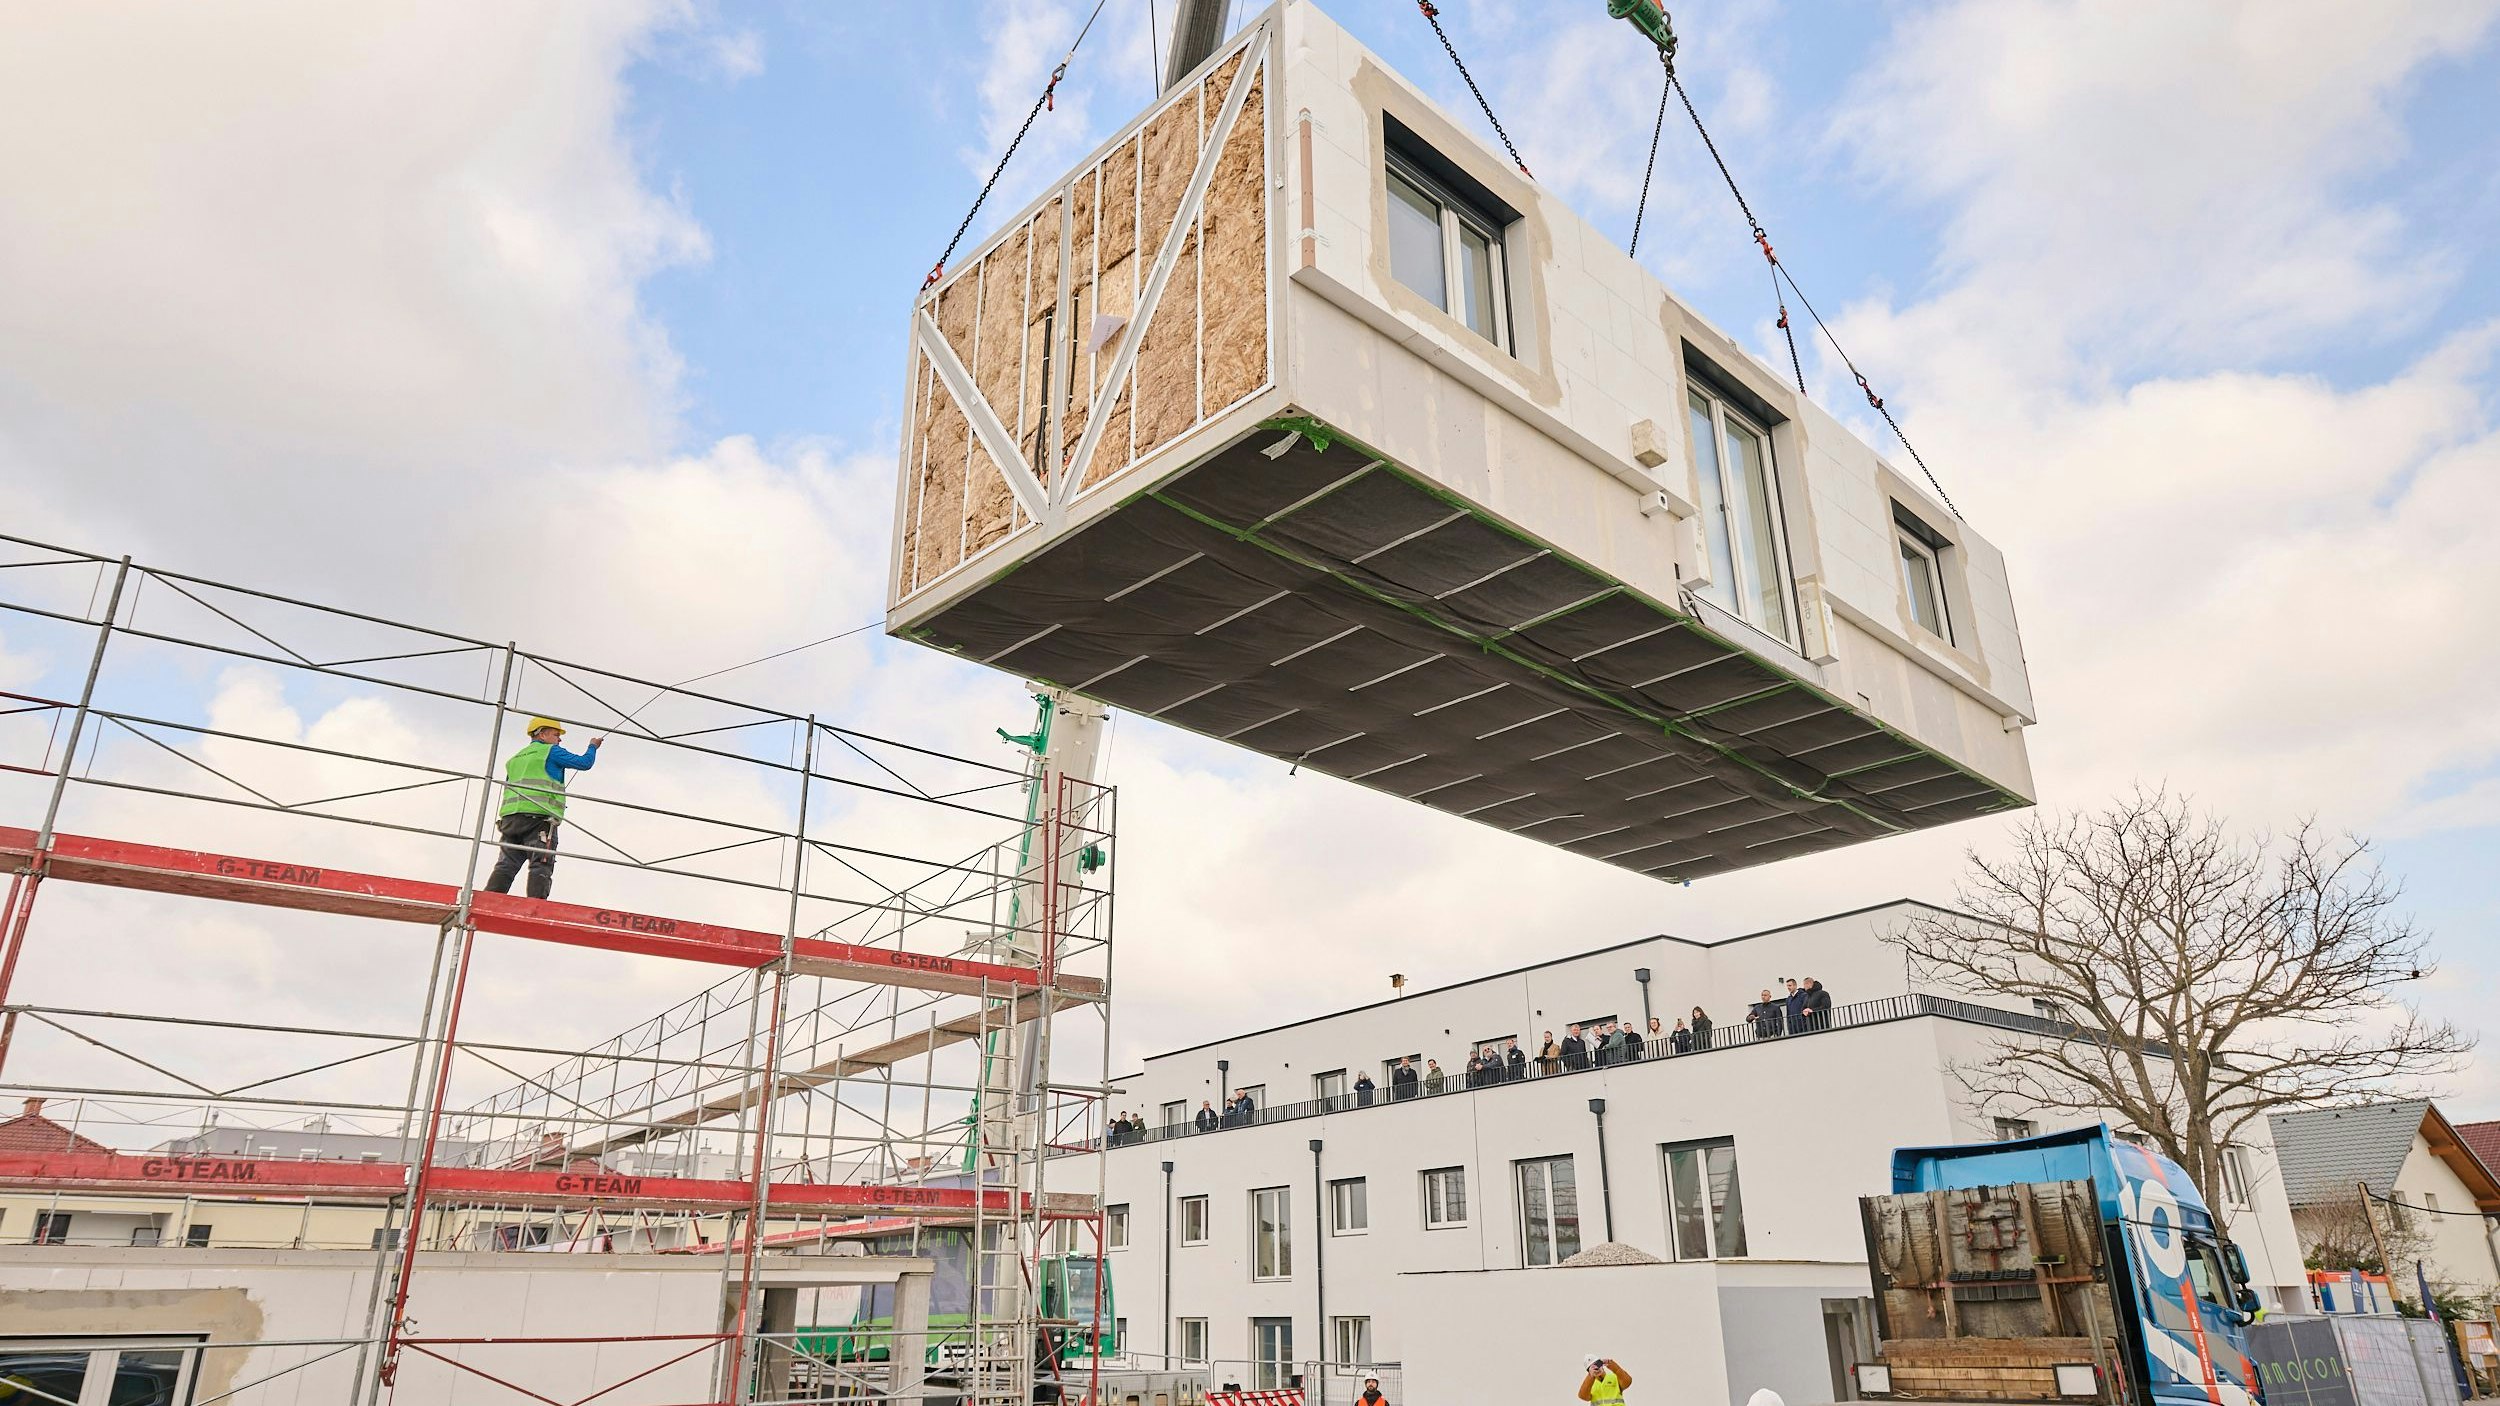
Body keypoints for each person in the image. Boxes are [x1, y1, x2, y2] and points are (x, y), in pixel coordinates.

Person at [484, 716, 604, 900]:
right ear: (543, 734)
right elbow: (584, 763)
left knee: (506, 865)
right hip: (538, 819)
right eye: (556, 734)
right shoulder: (551, 751)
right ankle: (536, 907)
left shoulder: (515, 758)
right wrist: (593, 746)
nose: (559, 739)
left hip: (510, 819)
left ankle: (489, 900)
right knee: (541, 863)